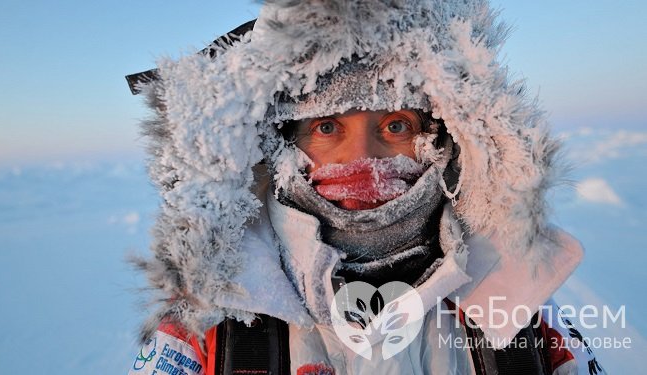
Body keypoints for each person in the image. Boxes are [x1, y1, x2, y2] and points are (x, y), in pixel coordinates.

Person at [126, 1, 605, 374]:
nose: (364, 160)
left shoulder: (513, 301)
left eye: (396, 125)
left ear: (443, 140)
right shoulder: (207, 319)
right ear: (280, 148)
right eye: (328, 128)